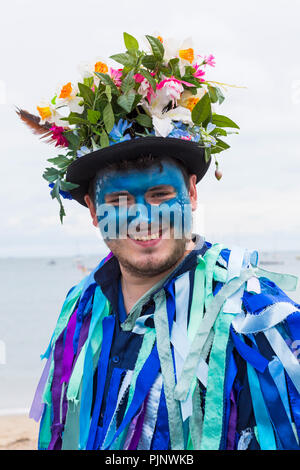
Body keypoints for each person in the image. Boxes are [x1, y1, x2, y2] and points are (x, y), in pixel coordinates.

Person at [19, 33, 300, 450]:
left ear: (192, 192)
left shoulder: (256, 316)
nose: (144, 219)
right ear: (93, 211)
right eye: (117, 200)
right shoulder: (80, 308)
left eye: (161, 196)